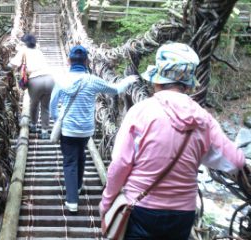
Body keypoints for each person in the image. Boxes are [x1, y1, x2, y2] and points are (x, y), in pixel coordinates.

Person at [99, 42, 246, 240]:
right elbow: (235, 161)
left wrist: (107, 201)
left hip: (141, 209)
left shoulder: (141, 112)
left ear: (157, 80)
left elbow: (120, 163)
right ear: (187, 84)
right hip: (182, 214)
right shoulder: (203, 118)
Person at [49, 45, 138, 213]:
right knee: (81, 154)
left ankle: (72, 200)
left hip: (68, 128)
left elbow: (53, 103)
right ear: (87, 61)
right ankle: (78, 186)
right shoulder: (93, 80)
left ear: (69, 61)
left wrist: (56, 119)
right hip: (86, 129)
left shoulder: (61, 79)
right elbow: (115, 90)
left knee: (70, 161)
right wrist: (127, 81)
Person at [9, 33, 55, 139]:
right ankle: (44, 131)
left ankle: (33, 126)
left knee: (34, 105)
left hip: (35, 80)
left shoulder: (23, 51)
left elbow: (12, 65)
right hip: (50, 79)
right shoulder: (38, 51)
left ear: (24, 43)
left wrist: (3, 68)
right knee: (45, 107)